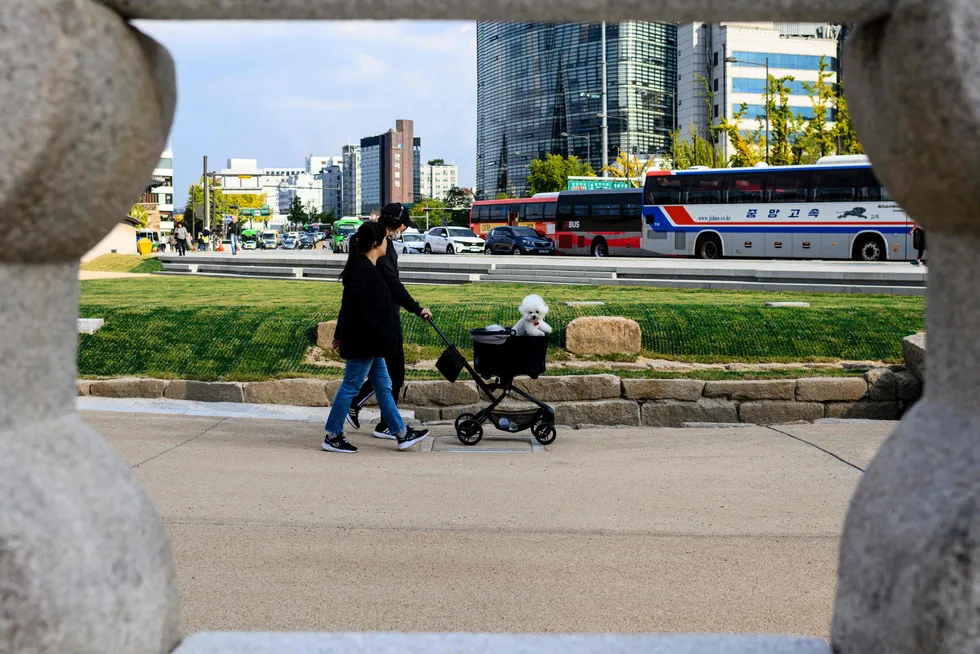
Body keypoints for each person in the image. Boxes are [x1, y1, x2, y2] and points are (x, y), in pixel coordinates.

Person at [322, 221, 430, 453]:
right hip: (365, 342)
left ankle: (401, 433)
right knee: (351, 386)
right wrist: (369, 337)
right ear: (375, 243)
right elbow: (356, 310)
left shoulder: (367, 267)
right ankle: (332, 435)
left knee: (384, 385)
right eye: (385, 239)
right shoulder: (363, 271)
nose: (387, 242)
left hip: (370, 341)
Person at [346, 203, 432, 439]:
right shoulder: (379, 246)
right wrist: (417, 309)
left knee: (385, 374)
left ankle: (384, 421)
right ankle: (377, 420)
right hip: (382, 320)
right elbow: (394, 285)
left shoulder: (383, 242)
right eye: (403, 225)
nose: (403, 229)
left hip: (384, 316)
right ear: (394, 224)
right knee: (391, 374)